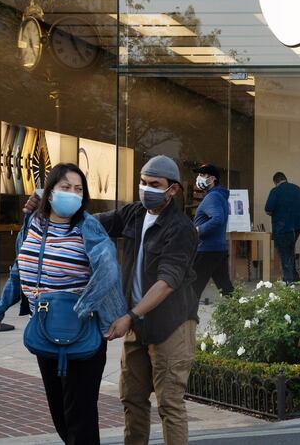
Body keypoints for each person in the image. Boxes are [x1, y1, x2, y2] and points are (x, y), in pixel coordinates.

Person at [0, 163, 126, 445]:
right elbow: (20, 270)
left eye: (79, 189)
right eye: (65, 187)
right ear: (49, 192)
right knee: (59, 413)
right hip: (45, 328)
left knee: (79, 418)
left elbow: (108, 269)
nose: (72, 193)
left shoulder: (87, 226)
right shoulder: (34, 222)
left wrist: (82, 309)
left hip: (82, 334)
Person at [99, 155, 198, 445]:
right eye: (143, 183)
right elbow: (95, 225)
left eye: (155, 184)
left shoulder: (181, 229)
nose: (146, 189)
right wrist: (50, 211)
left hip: (172, 324)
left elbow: (167, 282)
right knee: (132, 398)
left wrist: (130, 315)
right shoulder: (134, 214)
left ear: (173, 190)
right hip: (138, 325)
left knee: (169, 403)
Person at [191, 163, 233, 301]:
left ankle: (186, 320)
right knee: (227, 290)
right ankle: (247, 319)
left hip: (206, 250)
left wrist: (198, 230)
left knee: (191, 290)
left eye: (203, 175)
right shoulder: (219, 196)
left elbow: (217, 219)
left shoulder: (212, 197)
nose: (199, 178)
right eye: (199, 175)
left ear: (212, 179)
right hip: (218, 249)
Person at [265, 172, 300, 283]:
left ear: (276, 182)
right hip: (297, 226)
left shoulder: (275, 191)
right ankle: (295, 277)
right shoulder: (298, 189)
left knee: (285, 253)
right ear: (285, 179)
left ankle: (288, 280)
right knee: (290, 251)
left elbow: (268, 209)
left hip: (282, 227)